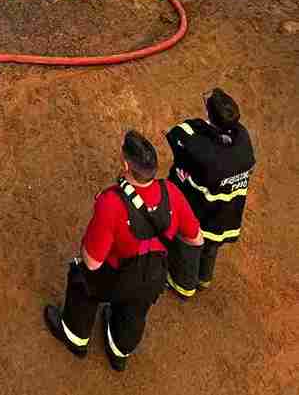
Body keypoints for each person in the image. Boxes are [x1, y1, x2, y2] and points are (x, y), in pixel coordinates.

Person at [44, 130, 202, 372]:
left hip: (117, 277)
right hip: (153, 278)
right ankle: (119, 353)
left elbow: (93, 262)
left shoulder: (111, 203)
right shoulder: (171, 193)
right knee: (135, 312)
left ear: (125, 164)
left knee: (82, 277)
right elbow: (195, 238)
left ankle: (75, 338)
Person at [166, 89, 255, 296]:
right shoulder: (243, 140)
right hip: (228, 215)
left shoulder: (199, 147)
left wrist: (204, 128)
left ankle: (184, 286)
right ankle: (203, 278)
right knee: (212, 246)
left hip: (202, 214)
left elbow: (178, 134)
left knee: (189, 248)